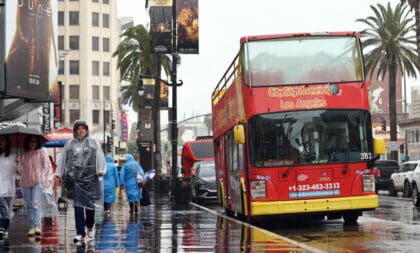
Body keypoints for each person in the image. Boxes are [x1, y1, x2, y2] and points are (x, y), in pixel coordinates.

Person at [56, 119, 105, 244]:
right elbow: (63, 159)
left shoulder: (93, 143)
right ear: (75, 131)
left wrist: (100, 169)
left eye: (83, 128)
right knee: (78, 206)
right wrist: (59, 172)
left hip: (90, 181)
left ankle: (89, 226)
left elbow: (100, 157)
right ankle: (80, 233)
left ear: (86, 130)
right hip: (75, 180)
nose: (81, 130)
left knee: (89, 207)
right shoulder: (69, 144)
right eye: (79, 129)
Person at [16, 134, 53, 238]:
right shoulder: (24, 154)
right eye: (31, 141)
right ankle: (31, 226)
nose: (33, 143)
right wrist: (18, 163)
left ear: (38, 143)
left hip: (38, 182)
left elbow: (47, 167)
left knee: (35, 203)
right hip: (26, 182)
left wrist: (47, 179)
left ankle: (37, 225)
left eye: (35, 141)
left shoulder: (41, 152)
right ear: (27, 142)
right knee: (29, 205)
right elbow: (19, 171)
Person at [0, 135, 17, 240]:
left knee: (7, 209)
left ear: (7, 143)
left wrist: (18, 164)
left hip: (9, 186)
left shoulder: (13, 156)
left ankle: (5, 227)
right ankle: (1, 227)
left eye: (2, 141)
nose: (1, 143)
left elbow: (18, 173)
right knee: (1, 207)